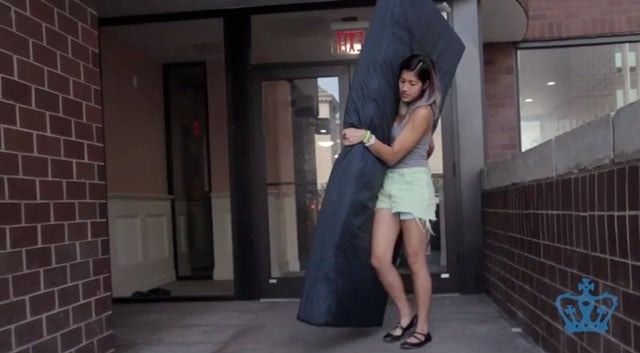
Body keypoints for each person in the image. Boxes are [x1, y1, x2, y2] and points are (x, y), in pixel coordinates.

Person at [342, 54, 440, 349]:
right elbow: (427, 146)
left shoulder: (423, 112)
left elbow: (395, 154)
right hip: (390, 184)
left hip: (412, 185)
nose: (405, 87)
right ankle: (405, 315)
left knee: (414, 260)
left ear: (424, 86)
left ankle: (423, 326)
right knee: (380, 259)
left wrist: (365, 137)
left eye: (412, 83)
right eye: (402, 80)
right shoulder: (398, 107)